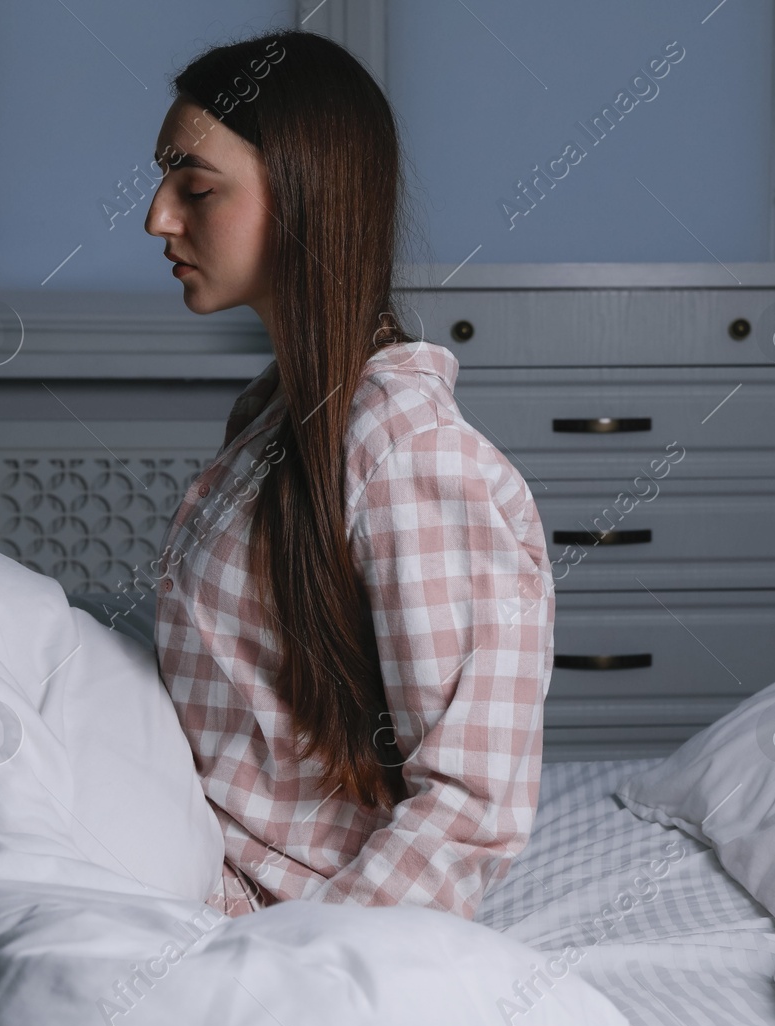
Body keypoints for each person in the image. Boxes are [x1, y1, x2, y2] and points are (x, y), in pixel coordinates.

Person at [143, 30, 552, 919]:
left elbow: (470, 810)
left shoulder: (412, 456)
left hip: (292, 932)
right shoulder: (274, 413)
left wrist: (298, 963)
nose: (157, 217)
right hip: (212, 880)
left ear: (303, 195)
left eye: (196, 187)